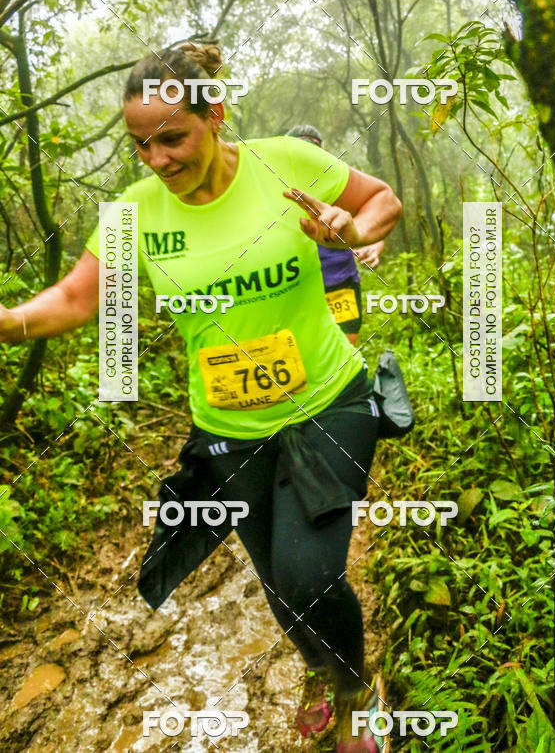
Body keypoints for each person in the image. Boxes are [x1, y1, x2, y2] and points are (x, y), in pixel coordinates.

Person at [0, 42, 402, 753]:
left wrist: (353, 228)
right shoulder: (136, 211)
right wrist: (5, 323)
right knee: (276, 577)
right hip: (227, 429)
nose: (157, 159)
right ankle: (317, 669)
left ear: (214, 115)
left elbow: (382, 201)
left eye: (172, 138)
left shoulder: (286, 161)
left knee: (309, 572)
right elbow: (72, 298)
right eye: (140, 145)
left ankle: (354, 692)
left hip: (328, 403)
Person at [287, 125, 385, 346]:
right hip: (295, 286)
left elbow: (372, 216)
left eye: (312, 152)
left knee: (346, 350)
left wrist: (374, 245)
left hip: (340, 282)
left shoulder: (338, 182)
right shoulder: (276, 188)